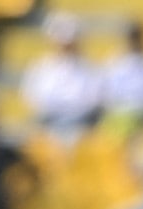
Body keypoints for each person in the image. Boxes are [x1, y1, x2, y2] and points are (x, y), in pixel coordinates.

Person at [19, 11, 103, 148]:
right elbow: (32, 97)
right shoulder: (40, 67)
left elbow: (93, 99)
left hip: (80, 126)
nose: (65, 45)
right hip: (47, 125)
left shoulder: (90, 68)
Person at [100, 20, 143, 138]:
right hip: (119, 116)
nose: (133, 41)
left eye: (136, 36)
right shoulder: (114, 62)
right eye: (130, 37)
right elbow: (107, 94)